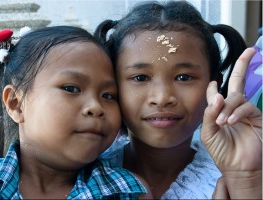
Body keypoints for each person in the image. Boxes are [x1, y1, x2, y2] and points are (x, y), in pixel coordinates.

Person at [95, 0, 262, 199]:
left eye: (184, 77)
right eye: (140, 78)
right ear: (113, 86)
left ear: (213, 85)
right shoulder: (81, 174)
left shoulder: (240, 171)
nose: (163, 97)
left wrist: (247, 179)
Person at [0, 26, 150, 199]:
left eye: (109, 95)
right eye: (71, 88)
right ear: (16, 104)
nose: (96, 107)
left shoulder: (128, 191)